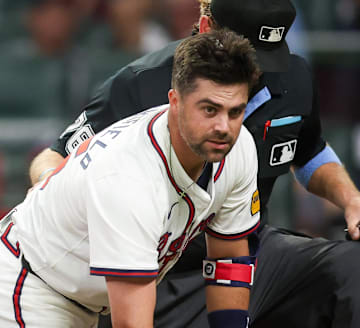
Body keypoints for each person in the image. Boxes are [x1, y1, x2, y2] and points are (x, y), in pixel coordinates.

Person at [29, 0, 360, 328]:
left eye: (266, 56)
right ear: (206, 26)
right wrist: (58, 198)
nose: (253, 71)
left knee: (351, 268)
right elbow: (55, 157)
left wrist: (351, 199)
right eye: (246, 51)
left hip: (249, 250)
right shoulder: (142, 83)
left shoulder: (292, 76)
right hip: (155, 271)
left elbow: (309, 152)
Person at [0, 29, 261, 328]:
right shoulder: (128, 174)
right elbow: (131, 324)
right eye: (209, 109)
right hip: (25, 287)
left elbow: (229, 261)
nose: (223, 126)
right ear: (174, 101)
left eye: (235, 111)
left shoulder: (239, 148)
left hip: (76, 300)